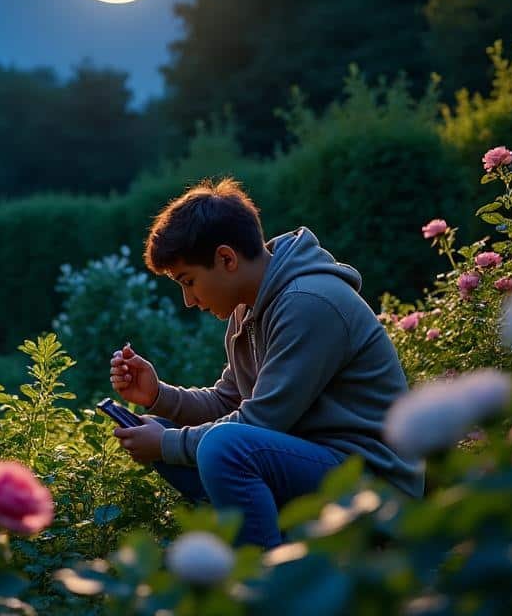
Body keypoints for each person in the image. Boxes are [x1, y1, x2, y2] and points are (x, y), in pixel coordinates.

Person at [108, 178, 423, 548]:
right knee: (168, 430)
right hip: (315, 465)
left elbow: (260, 421)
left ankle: (266, 574)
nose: (188, 300)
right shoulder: (247, 311)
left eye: (188, 281)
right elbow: (229, 402)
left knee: (219, 447)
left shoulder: (309, 302)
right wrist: (159, 396)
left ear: (226, 259)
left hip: (376, 487)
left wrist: (166, 444)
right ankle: (277, 541)